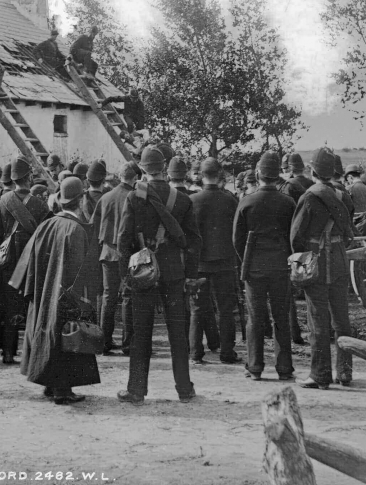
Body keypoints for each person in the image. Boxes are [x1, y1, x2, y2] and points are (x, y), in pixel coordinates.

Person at [117, 146, 201, 405]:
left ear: (142, 169)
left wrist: (127, 276)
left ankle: (136, 390)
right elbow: (194, 242)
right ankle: (184, 389)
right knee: (178, 331)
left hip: (143, 272)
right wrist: (190, 275)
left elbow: (123, 241)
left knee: (141, 332)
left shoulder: (134, 197)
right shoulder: (184, 200)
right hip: (174, 272)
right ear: (164, 168)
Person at [15, 176, 101, 404]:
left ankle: (49, 384)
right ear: (81, 200)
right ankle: (63, 390)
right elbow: (79, 270)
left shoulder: (47, 224)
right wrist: (84, 299)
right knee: (65, 338)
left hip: (45, 293)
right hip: (65, 295)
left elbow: (30, 261)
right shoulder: (76, 229)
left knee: (47, 334)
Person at [290, 149, 356, 389]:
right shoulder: (344, 196)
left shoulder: (309, 197)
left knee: (317, 319)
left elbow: (296, 236)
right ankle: (345, 372)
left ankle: (320, 375)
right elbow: (349, 231)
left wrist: (302, 259)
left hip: (315, 261)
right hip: (338, 260)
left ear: (313, 171)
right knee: (341, 319)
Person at [0, 157, 50, 363]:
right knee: (33, 304)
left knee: (10, 304)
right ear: (29, 177)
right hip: (33, 262)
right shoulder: (41, 205)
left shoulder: (2, 201)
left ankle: (8, 353)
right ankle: (33, 353)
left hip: (8, 262)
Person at [234, 153, 297, 381]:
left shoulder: (246, 201)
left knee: (255, 317)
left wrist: (247, 260)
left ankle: (255, 367)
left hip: (254, 268)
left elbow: (236, 239)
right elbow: (294, 236)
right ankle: (285, 368)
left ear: (259, 174)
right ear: (277, 175)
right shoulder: (288, 202)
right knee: (281, 317)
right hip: (281, 267)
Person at [189, 158, 240, 365]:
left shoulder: (193, 200)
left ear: (201, 175)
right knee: (226, 309)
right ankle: (227, 352)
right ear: (220, 175)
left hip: (200, 263)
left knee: (197, 309)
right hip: (225, 263)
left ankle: (195, 353)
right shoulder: (230, 200)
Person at [95, 162, 140, 355]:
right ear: (135, 178)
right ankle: (128, 344)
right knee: (129, 297)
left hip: (107, 251)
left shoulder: (105, 197)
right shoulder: (136, 197)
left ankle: (103, 342)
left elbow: (95, 227)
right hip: (128, 253)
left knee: (108, 298)